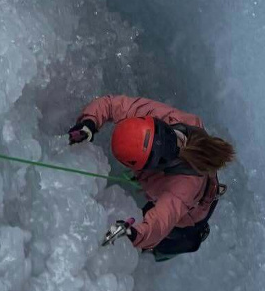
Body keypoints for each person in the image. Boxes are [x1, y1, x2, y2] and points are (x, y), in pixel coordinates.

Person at [69, 94, 235, 260]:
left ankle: (180, 243)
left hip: (191, 214)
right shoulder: (169, 119)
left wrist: (135, 234)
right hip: (179, 189)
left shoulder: (184, 187)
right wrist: (88, 123)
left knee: (174, 238)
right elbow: (111, 104)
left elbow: (160, 224)